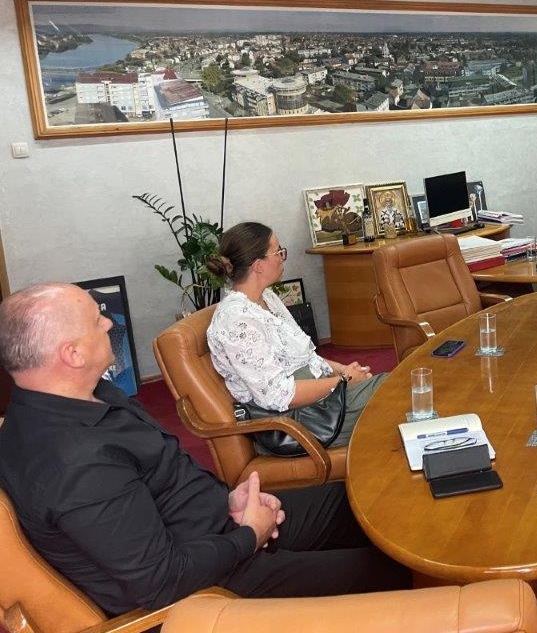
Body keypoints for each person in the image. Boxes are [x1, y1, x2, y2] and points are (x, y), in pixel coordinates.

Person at [0, 283, 409, 616]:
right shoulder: (73, 463)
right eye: (96, 320)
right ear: (72, 354)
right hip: (210, 587)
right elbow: (162, 581)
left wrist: (230, 502)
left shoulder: (90, 395)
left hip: (220, 526)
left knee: (368, 498)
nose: (109, 322)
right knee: (394, 569)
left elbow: (166, 478)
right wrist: (249, 535)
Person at [206, 222, 386, 448]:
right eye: (278, 252)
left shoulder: (267, 298)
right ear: (258, 265)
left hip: (316, 400)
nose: (283, 257)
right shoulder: (236, 321)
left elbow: (303, 357)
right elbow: (277, 396)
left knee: (398, 387)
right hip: (296, 422)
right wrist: (343, 381)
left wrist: (342, 370)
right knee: (397, 393)